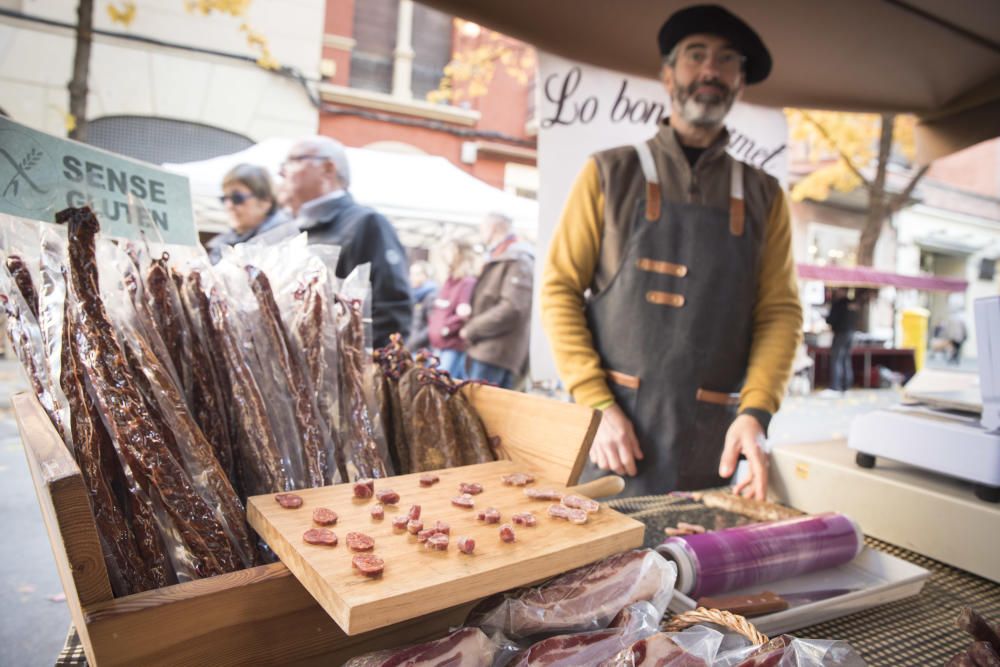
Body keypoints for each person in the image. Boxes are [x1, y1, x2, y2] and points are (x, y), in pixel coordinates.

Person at [540, 4, 802, 500]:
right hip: (612, 437)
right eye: (695, 55)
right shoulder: (608, 173)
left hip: (714, 442)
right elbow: (559, 289)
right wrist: (595, 403)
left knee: (699, 569)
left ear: (740, 82)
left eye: (727, 60)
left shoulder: (765, 194)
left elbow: (780, 312)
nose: (710, 70)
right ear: (667, 74)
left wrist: (756, 412)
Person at [281, 136, 411, 348]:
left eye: (294, 161)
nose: (283, 171)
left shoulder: (366, 223)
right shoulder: (294, 227)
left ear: (328, 168)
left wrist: (364, 366)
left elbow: (392, 308)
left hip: (341, 370)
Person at [461, 212, 534, 389]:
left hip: (496, 353)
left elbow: (512, 309)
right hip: (488, 350)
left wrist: (472, 329)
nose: (481, 234)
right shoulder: (505, 256)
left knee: (482, 413)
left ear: (493, 228)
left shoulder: (518, 259)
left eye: (482, 228)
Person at [206, 164, 289, 264]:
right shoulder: (221, 244)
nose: (229, 205)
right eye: (224, 199)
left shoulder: (285, 243)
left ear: (265, 201)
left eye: (237, 198)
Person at [427, 239, 477, 379]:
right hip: (439, 343)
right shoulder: (449, 281)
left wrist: (446, 328)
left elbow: (464, 313)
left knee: (442, 383)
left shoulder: (467, 282)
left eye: (450, 251)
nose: (446, 254)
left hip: (452, 344)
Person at [824, 288, 859, 395]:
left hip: (840, 333)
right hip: (851, 333)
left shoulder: (838, 304)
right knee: (846, 359)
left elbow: (830, 319)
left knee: (836, 359)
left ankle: (836, 386)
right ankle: (846, 385)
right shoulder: (852, 304)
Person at [405, 260, 438, 352]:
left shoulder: (431, 296)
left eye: (416, 274)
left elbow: (431, 325)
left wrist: (413, 342)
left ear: (425, 276)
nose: (411, 277)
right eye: (411, 273)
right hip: (411, 346)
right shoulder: (413, 294)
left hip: (423, 350)